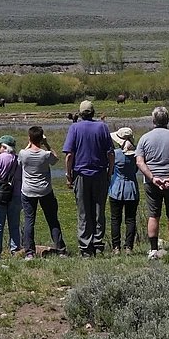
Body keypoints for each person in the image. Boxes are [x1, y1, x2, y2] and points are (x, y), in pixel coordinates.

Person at [62, 99, 113, 256]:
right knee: (99, 211)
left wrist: (68, 175)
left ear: (80, 113)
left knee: (83, 212)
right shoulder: (102, 127)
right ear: (93, 112)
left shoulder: (75, 128)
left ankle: (85, 247)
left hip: (81, 175)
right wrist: (109, 173)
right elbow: (110, 154)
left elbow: (69, 155)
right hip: (99, 174)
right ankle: (98, 244)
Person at [135, 105, 169, 259]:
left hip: (152, 182)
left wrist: (152, 177)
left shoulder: (144, 138)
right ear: (167, 120)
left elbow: (139, 162)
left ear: (153, 120)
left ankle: (153, 249)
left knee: (153, 215)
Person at [19, 125, 69, 258]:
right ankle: (61, 250)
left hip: (28, 190)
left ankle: (29, 252)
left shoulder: (23, 154)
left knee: (29, 221)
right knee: (52, 219)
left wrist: (29, 143)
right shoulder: (45, 155)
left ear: (29, 138)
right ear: (41, 139)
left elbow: (22, 156)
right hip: (45, 190)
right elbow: (56, 158)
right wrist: (46, 144)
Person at [108, 125, 140, 254]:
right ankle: (129, 247)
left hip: (116, 189)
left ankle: (116, 247)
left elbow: (109, 171)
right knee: (130, 219)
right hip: (132, 189)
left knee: (115, 219)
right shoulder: (137, 154)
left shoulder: (115, 154)